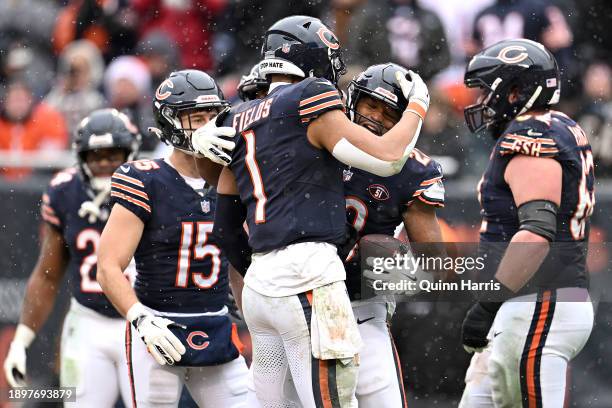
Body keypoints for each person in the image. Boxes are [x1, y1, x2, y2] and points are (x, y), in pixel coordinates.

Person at [191, 15, 431, 407]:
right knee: (330, 400)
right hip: (309, 276)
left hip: (261, 288)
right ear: (314, 60)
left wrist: (258, 271)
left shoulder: (236, 117)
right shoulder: (310, 96)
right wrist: (417, 105)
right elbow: (388, 158)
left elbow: (225, 225)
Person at [96, 70, 249, 408]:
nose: (208, 127)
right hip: (157, 329)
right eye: (197, 118)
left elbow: (238, 259)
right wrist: (142, 319)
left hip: (217, 326)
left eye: (214, 117)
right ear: (170, 122)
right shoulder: (145, 180)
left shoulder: (234, 175)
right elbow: (108, 266)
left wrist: (253, 315)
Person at [459, 39, 594, 407]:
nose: (480, 103)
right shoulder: (558, 125)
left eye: (488, 92)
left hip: (538, 301)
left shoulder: (530, 134)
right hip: (533, 303)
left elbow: (535, 234)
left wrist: (488, 303)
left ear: (516, 91)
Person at [3, 108, 140, 406]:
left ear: (131, 153)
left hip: (142, 322)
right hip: (89, 321)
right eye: (95, 156)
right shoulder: (66, 191)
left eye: (113, 155)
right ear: (81, 157)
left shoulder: (153, 186)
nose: (104, 164)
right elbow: (47, 274)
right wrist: (21, 341)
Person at [342, 62, 447, 407]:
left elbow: (437, 264)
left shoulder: (412, 171)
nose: (375, 117)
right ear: (352, 101)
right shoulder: (316, 143)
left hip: (360, 303)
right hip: (302, 296)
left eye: (389, 113)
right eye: (370, 105)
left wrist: (398, 273)